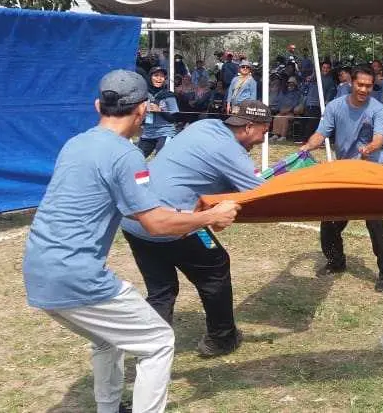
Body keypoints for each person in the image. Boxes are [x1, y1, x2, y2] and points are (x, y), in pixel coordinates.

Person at [22, 70, 240, 413]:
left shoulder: (75, 143)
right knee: (158, 342)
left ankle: (108, 408)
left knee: (108, 339)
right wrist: (209, 218)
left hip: (38, 271)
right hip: (78, 275)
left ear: (98, 105)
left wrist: (190, 214)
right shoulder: (127, 156)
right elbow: (155, 223)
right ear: (143, 110)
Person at [120, 101, 270, 360]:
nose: (262, 139)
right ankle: (222, 338)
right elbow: (261, 194)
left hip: (135, 221)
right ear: (248, 127)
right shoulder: (231, 151)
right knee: (215, 265)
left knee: (161, 289)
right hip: (172, 224)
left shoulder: (205, 126)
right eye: (263, 132)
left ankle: (149, 349)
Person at [300, 67, 383, 292]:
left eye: (369, 86)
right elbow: (321, 133)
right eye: (360, 85)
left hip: (370, 168)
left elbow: (378, 139)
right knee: (331, 218)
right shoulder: (335, 107)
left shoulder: (379, 109)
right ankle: (336, 261)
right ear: (351, 84)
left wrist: (370, 149)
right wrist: (307, 147)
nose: (364, 89)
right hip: (345, 168)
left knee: (374, 220)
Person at [139, 67, 178, 158]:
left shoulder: (169, 95)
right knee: (137, 158)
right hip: (148, 133)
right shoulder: (143, 95)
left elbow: (174, 118)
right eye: (156, 75)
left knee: (161, 159)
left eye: (162, 76)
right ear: (149, 78)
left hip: (165, 132)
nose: (159, 78)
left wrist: (160, 111)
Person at [270, 77, 301, 141]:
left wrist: (288, 110)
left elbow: (295, 103)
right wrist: (280, 109)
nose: (290, 85)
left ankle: (283, 136)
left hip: (291, 112)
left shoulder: (297, 93)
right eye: (289, 84)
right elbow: (278, 102)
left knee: (284, 118)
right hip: (282, 111)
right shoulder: (283, 92)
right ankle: (275, 135)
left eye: (292, 84)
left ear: (295, 85)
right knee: (276, 117)